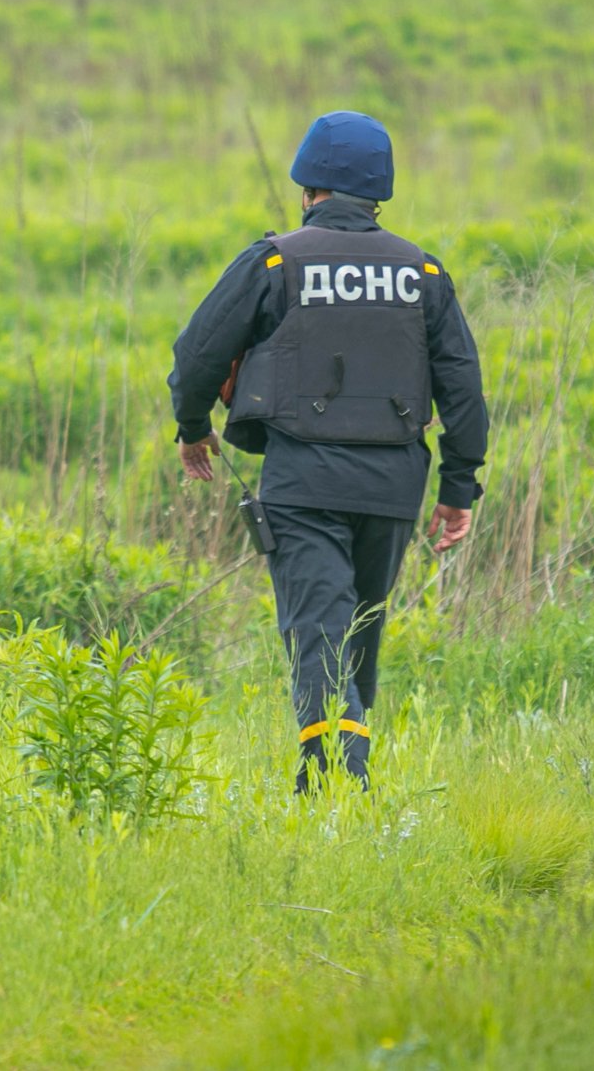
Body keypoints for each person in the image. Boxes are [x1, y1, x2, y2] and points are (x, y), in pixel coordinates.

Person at [168, 110, 488, 792]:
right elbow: (464, 390)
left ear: (308, 184)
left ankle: (333, 782)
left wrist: (194, 426)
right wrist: (458, 490)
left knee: (318, 628)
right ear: (379, 191)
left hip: (303, 483)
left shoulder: (276, 259)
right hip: (393, 490)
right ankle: (345, 773)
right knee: (359, 630)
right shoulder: (423, 273)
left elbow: (197, 351)